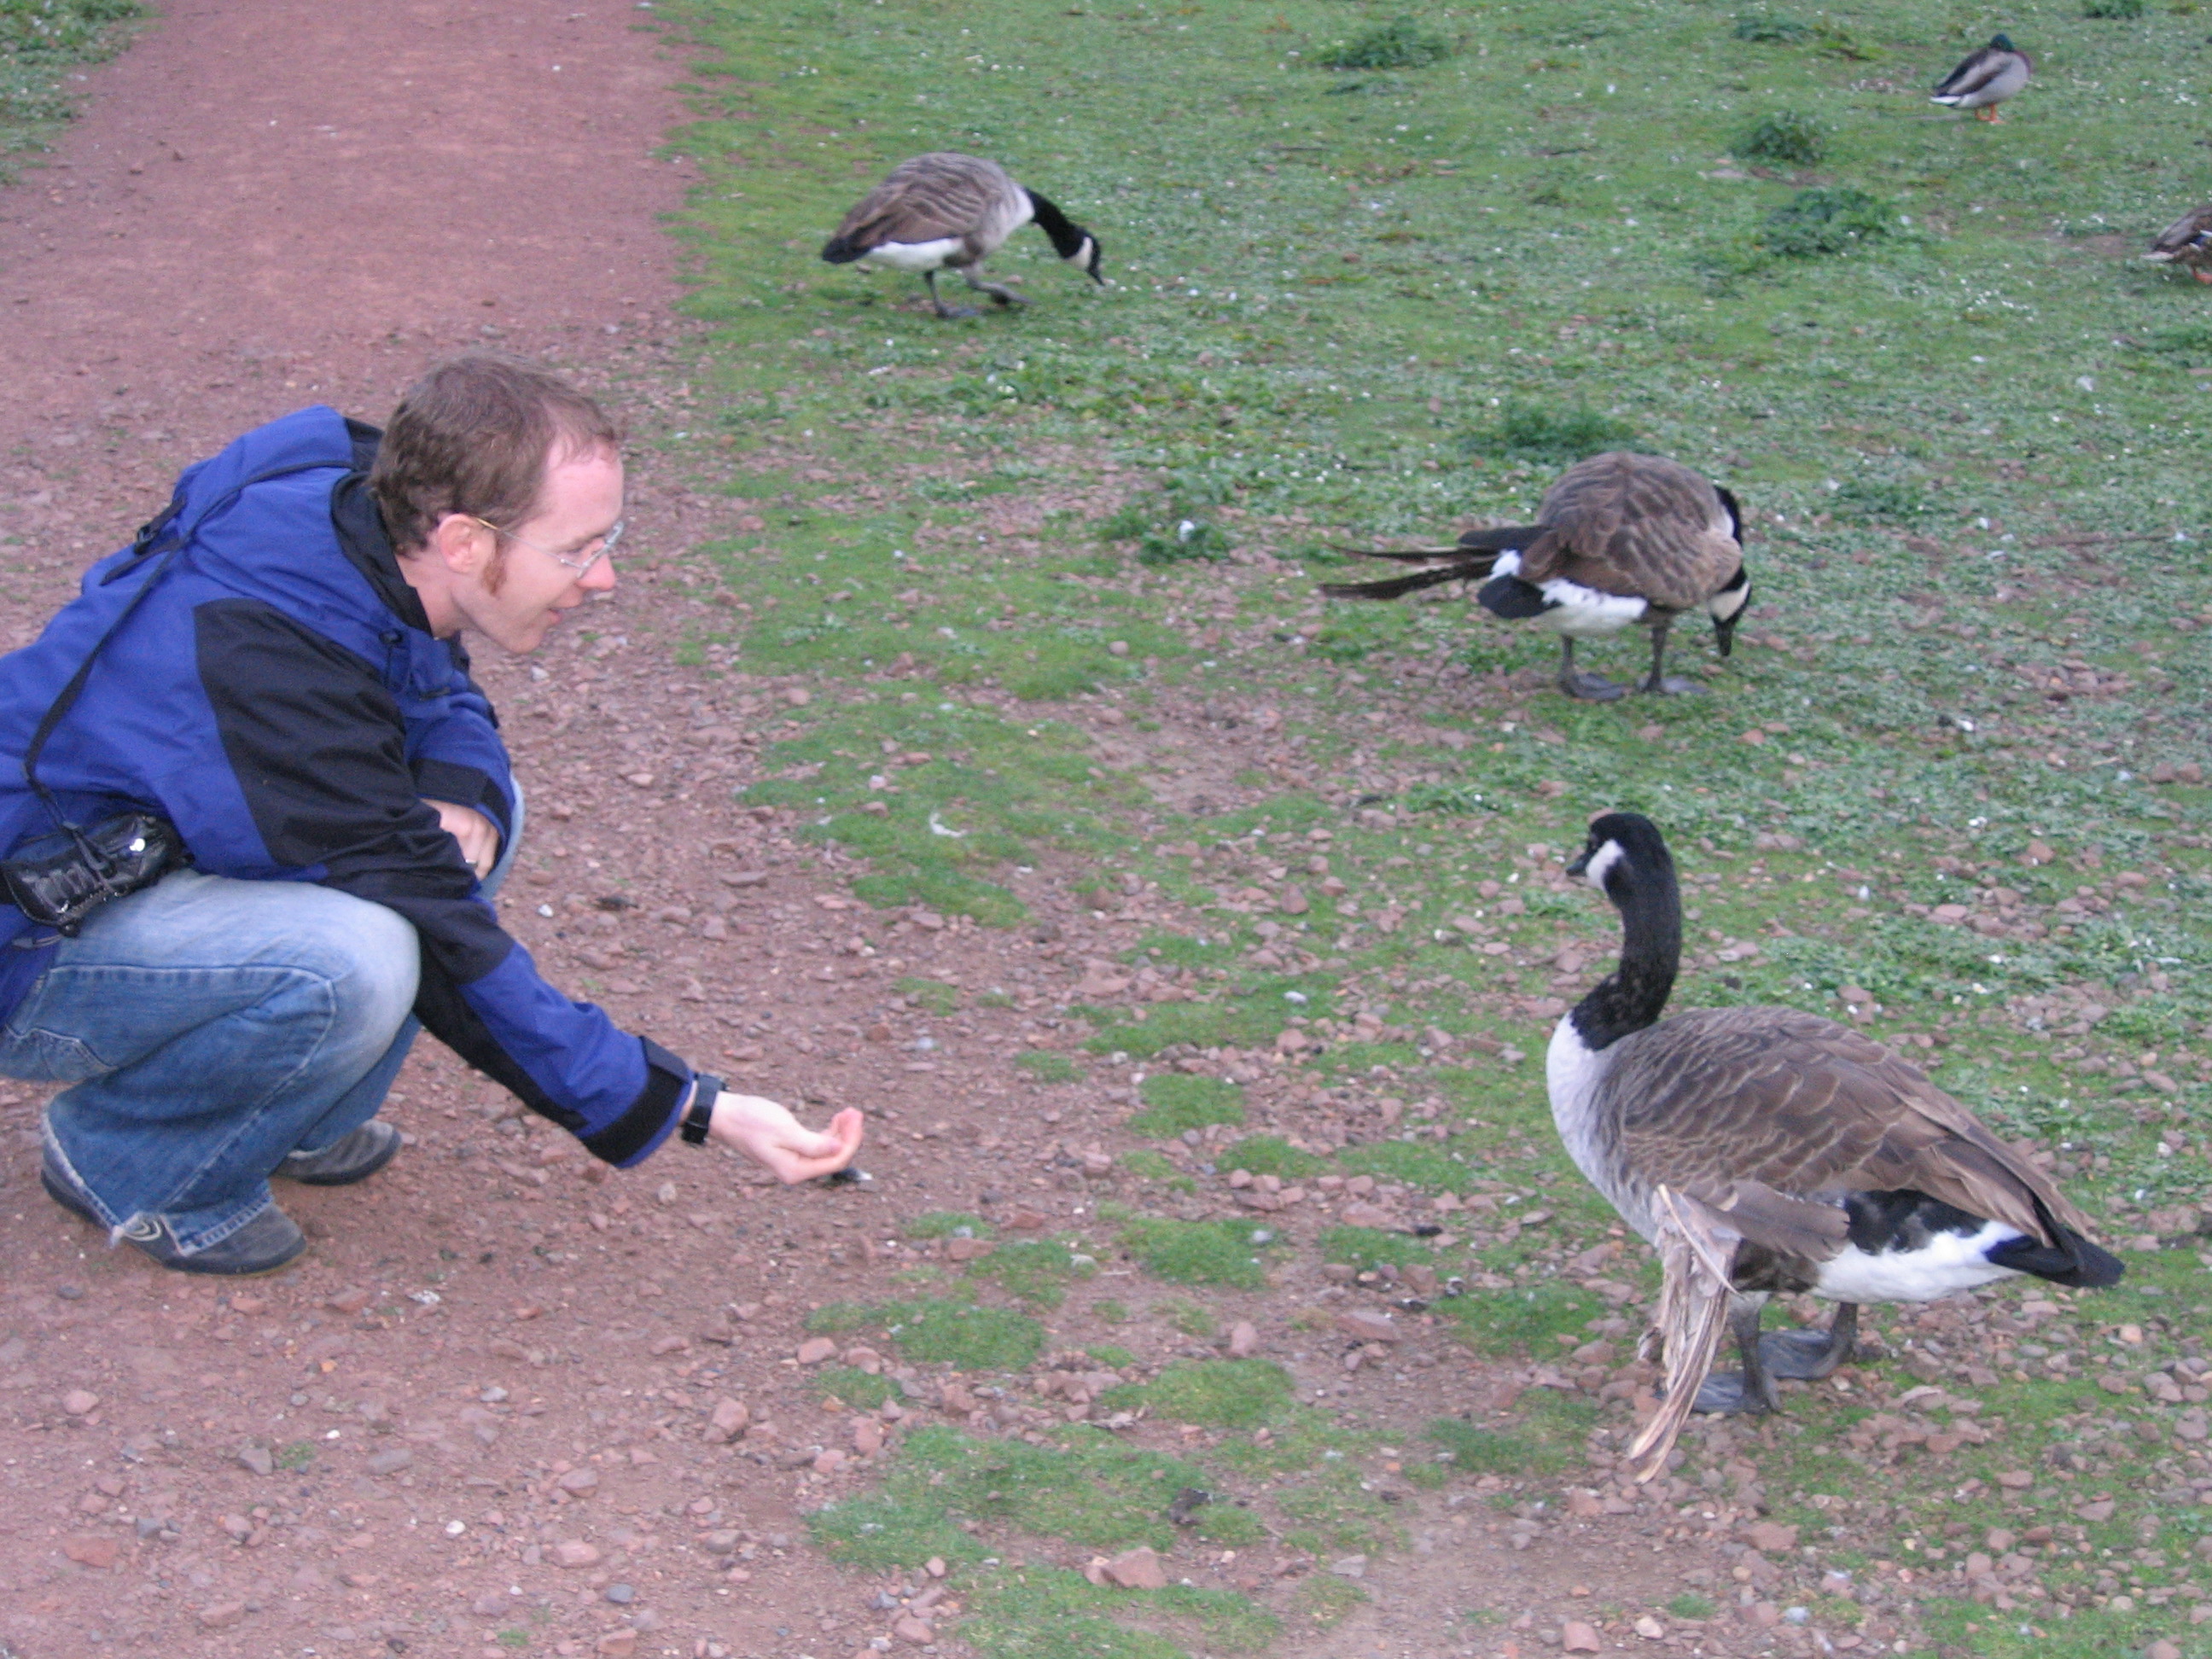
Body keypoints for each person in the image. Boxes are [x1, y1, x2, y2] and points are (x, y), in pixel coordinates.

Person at [0, 355, 863, 1275]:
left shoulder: (360, 510)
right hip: (30, 940)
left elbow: (418, 662)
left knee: (475, 818)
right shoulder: (268, 674)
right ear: (463, 542)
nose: (603, 578)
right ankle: (133, 1162)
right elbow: (446, 939)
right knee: (352, 960)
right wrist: (699, 1106)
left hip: (148, 861)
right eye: (575, 549)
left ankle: (284, 1115)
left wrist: (460, 773)